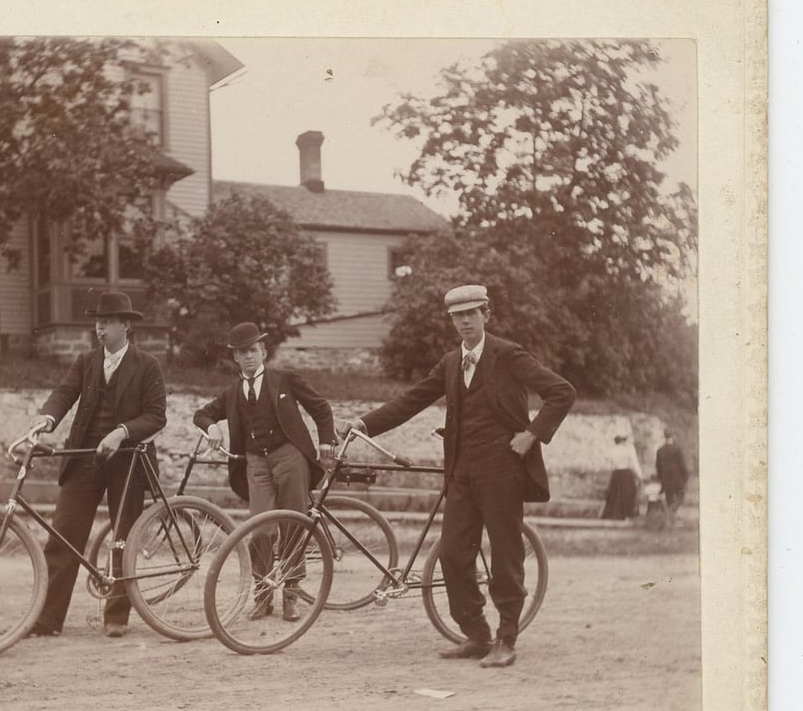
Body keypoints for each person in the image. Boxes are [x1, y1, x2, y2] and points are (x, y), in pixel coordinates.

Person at [338, 284, 575, 668]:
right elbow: (411, 401)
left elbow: (562, 392)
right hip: (461, 472)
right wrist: (363, 424)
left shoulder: (508, 355)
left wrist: (531, 435)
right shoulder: (450, 362)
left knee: (505, 556)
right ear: (451, 320)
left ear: (486, 314)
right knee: (451, 555)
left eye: (472, 313)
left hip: (503, 472)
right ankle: (477, 635)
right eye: (457, 316)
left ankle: (507, 639)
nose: (465, 321)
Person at [24, 291, 167, 639]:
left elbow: (156, 416)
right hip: (85, 459)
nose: (99, 329)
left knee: (123, 539)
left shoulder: (147, 365)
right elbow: (64, 392)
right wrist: (47, 419)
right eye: (97, 323)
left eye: (106, 323)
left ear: (126, 326)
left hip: (128, 463)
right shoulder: (86, 362)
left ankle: (117, 616)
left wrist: (121, 432)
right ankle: (47, 619)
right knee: (64, 535)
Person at [193, 322, 335, 622]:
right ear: (235, 358)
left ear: (264, 352)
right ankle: (263, 595)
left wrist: (326, 443)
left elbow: (320, 407)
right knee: (260, 531)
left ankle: (292, 595)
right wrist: (212, 428)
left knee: (293, 525)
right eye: (242, 353)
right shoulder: (232, 392)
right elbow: (201, 414)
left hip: (290, 457)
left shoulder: (284, 380)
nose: (248, 357)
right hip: (256, 464)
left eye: (253, 351)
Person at [600, 433, 643, 521]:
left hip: (616, 474)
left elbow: (610, 464)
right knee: (628, 493)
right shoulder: (629, 449)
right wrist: (640, 475)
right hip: (626, 474)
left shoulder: (613, 450)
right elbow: (634, 463)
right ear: (624, 440)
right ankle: (627, 514)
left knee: (615, 494)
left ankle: (615, 514)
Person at [655, 429, 689, 528]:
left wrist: (660, 479)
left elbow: (658, 467)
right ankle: (671, 515)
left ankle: (670, 519)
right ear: (672, 437)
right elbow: (682, 465)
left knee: (669, 498)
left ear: (665, 437)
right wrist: (686, 476)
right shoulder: (677, 449)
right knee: (681, 496)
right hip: (677, 476)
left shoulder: (660, 450)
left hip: (665, 477)